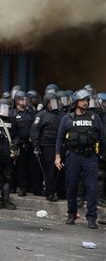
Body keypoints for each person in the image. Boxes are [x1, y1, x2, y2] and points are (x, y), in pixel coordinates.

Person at [55, 89, 105, 229]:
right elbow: (59, 138)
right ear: (76, 102)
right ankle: (71, 215)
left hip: (90, 157)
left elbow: (102, 138)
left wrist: (101, 155)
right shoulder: (67, 118)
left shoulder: (95, 118)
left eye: (87, 100)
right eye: (83, 100)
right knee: (71, 186)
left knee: (92, 188)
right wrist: (58, 156)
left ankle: (91, 218)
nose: (86, 102)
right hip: (73, 157)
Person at [30, 93, 63, 202]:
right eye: (51, 103)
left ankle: (59, 192)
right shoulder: (41, 115)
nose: (54, 105)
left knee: (60, 170)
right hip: (47, 147)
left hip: (60, 146)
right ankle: (50, 193)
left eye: (55, 102)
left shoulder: (61, 115)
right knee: (50, 171)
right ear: (46, 103)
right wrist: (36, 146)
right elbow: (34, 131)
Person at [12, 91, 41, 196]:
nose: (26, 101)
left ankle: (36, 188)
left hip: (31, 143)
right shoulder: (13, 114)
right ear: (18, 101)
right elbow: (13, 131)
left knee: (34, 167)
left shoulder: (30, 113)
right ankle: (23, 188)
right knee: (21, 168)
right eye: (23, 99)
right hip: (20, 144)